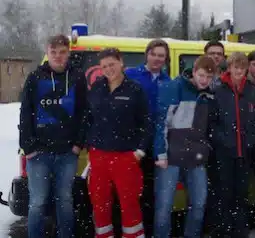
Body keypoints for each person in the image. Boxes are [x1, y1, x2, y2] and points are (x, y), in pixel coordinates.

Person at [19, 34, 89, 238]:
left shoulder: (77, 77)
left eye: (62, 52)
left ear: (68, 53)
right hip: (39, 154)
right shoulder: (35, 77)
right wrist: (29, 148)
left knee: (65, 201)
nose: (58, 56)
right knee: (38, 202)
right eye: (53, 52)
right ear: (47, 53)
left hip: (67, 153)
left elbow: (84, 113)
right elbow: (25, 113)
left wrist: (78, 144)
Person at [87, 48, 151, 238]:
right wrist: (89, 142)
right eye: (104, 66)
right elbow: (87, 117)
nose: (108, 69)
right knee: (100, 203)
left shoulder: (135, 89)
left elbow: (146, 122)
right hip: (98, 156)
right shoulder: (97, 88)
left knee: (129, 203)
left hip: (125, 157)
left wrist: (139, 151)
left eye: (112, 64)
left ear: (121, 62)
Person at [153, 55, 217, 238]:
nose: (204, 80)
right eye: (202, 75)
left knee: (198, 202)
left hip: (195, 156)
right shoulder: (174, 87)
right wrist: (160, 153)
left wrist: (206, 148)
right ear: (194, 72)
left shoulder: (208, 94)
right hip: (171, 155)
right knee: (165, 205)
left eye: (209, 77)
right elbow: (161, 122)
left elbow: (208, 127)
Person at [209, 52, 255, 238]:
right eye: (235, 67)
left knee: (242, 194)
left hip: (244, 153)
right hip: (224, 153)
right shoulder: (218, 90)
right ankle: (224, 230)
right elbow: (212, 123)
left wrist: (251, 141)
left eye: (242, 67)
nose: (239, 71)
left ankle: (240, 231)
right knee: (224, 194)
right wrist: (223, 141)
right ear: (229, 68)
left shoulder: (252, 90)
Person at [125, 38, 171, 236]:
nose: (157, 59)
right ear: (147, 54)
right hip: (133, 144)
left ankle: (147, 232)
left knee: (152, 195)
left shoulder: (167, 81)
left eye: (161, 56)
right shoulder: (131, 75)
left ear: (166, 59)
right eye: (154, 54)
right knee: (129, 193)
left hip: (157, 145)